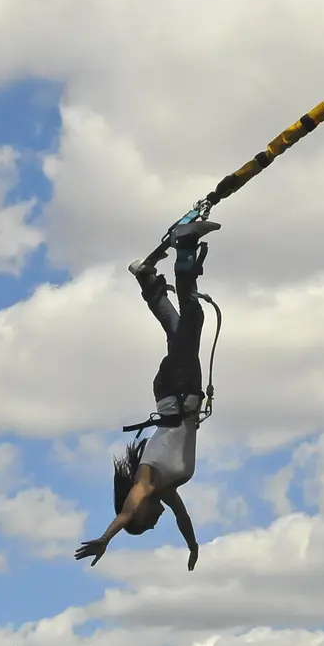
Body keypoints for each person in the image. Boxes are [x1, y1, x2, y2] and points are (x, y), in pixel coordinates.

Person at [74, 221, 220, 570]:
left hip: (180, 391)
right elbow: (182, 516)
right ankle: (147, 280)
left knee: (193, 317)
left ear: (139, 510)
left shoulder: (146, 481)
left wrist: (105, 539)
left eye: (148, 523)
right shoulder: (165, 489)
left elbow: (127, 513)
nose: (157, 522)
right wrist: (193, 545)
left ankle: (185, 249)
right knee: (178, 330)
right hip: (176, 393)